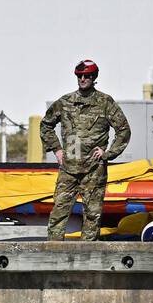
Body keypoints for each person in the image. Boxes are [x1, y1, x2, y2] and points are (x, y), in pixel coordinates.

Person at [40, 60, 131, 241]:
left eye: (87, 76)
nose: (82, 79)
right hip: (69, 169)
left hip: (93, 171)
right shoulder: (65, 102)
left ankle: (88, 259)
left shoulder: (105, 102)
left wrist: (108, 154)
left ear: (94, 77)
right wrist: (57, 149)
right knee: (58, 213)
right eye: (79, 76)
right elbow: (46, 125)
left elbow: (123, 130)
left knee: (92, 216)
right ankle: (53, 256)